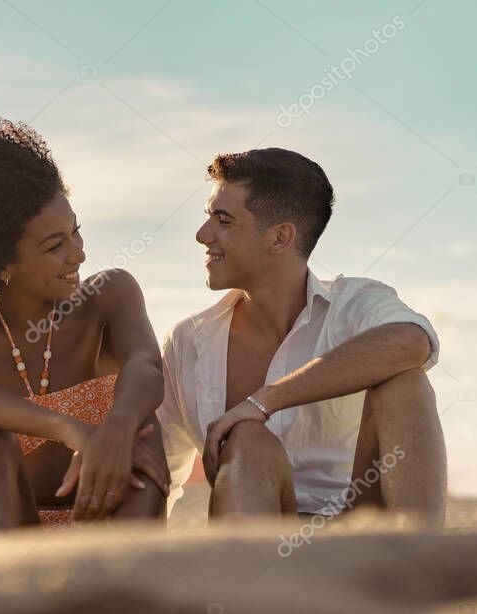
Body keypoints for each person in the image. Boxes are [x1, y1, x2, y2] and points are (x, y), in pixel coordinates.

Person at [159, 148, 447, 525]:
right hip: (254, 555)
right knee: (246, 439)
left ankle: (421, 563)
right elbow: (159, 474)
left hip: (362, 541)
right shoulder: (187, 341)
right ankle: (260, 581)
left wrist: (264, 401)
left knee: (406, 382)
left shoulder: (355, 304)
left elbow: (413, 341)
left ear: (280, 238)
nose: (202, 235)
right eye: (208, 217)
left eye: (223, 220)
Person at [0, 119, 170, 540]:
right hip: (4, 537)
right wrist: (69, 428)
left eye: (76, 232)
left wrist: (115, 429)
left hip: (110, 533)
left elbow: (145, 365)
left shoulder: (109, 295)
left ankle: (120, 580)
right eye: (55, 246)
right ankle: (11, 583)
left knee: (142, 427)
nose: (78, 254)